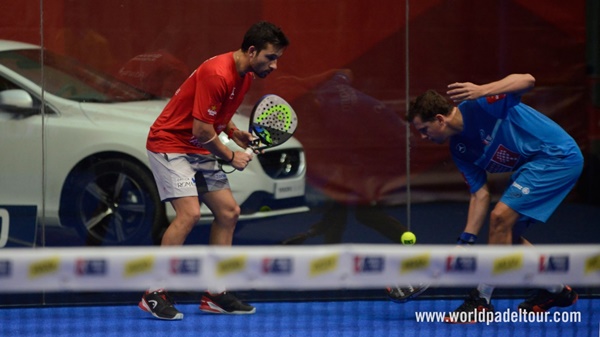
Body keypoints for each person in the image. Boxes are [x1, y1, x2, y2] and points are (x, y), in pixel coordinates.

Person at [139, 21, 289, 320]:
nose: (274, 65)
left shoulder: (244, 76)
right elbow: (202, 128)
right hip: (169, 143)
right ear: (251, 50)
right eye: (270, 57)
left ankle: (215, 293)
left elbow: (216, 116)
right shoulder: (218, 73)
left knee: (229, 212)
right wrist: (232, 156)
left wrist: (234, 133)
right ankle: (153, 293)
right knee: (190, 213)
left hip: (196, 146)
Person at [407, 73, 582, 324]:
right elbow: (480, 194)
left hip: (557, 157)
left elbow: (528, 80)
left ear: (439, 119)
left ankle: (481, 299)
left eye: (424, 130)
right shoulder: (459, 150)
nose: (423, 137)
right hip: (533, 166)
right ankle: (557, 291)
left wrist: (482, 90)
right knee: (507, 237)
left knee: (500, 218)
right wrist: (464, 244)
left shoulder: (480, 105)